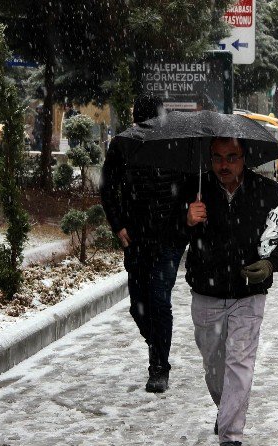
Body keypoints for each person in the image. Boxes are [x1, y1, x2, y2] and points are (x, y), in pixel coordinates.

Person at [186, 137, 278, 446]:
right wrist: (185, 220)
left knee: (239, 362)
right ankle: (227, 409)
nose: (224, 165)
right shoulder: (195, 189)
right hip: (206, 293)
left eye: (232, 157)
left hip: (249, 294)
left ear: (244, 159)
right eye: (218, 157)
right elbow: (164, 235)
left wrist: (270, 265)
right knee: (214, 365)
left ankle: (230, 435)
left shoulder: (268, 193)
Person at [100, 93, 188, 393]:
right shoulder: (123, 145)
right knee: (139, 306)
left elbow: (191, 187)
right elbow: (107, 188)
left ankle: (159, 367)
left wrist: (188, 219)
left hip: (170, 237)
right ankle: (157, 341)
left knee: (159, 298)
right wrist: (118, 224)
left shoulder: (177, 146)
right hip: (136, 237)